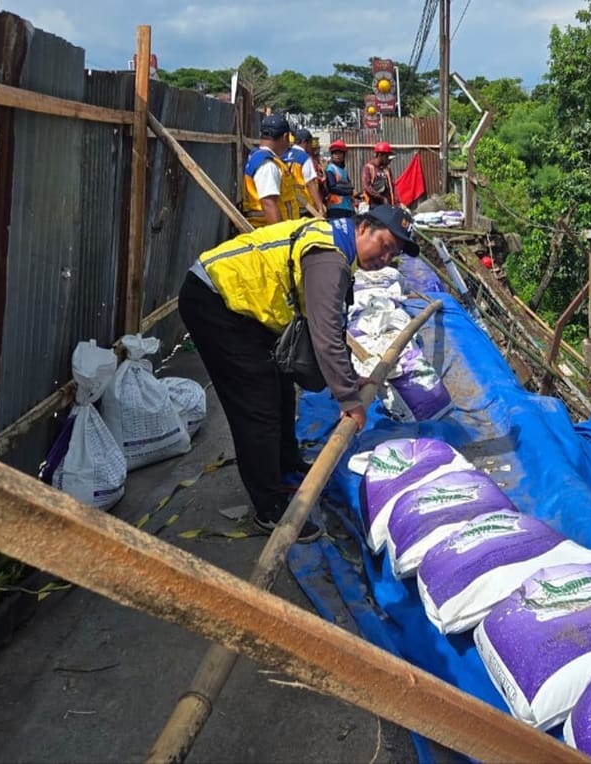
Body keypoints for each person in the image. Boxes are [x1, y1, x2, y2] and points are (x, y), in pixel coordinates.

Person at [178, 205, 420, 535]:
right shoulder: (330, 258)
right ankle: (270, 509)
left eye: (393, 255)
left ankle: (287, 465)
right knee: (256, 405)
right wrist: (349, 400)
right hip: (215, 300)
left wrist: (350, 379)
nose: (385, 259)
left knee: (280, 387)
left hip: (244, 309)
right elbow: (325, 337)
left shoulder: (339, 246)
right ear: (364, 227)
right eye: (386, 246)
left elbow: (332, 326)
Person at [241, 115, 299, 226]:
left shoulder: (258, 156)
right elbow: (269, 204)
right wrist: (282, 235)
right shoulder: (268, 165)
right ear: (285, 137)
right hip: (269, 230)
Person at [284, 127, 326, 218]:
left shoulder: (283, 156)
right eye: (310, 143)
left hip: (288, 205)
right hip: (304, 206)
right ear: (304, 142)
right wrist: (320, 207)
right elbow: (310, 183)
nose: (311, 147)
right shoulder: (304, 158)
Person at [324, 140, 356, 219]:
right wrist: (349, 191)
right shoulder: (331, 169)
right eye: (335, 153)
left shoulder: (343, 170)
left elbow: (349, 185)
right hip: (335, 207)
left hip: (347, 206)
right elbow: (332, 187)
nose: (337, 156)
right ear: (332, 155)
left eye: (340, 153)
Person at [361, 141, 399, 209]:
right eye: (386, 156)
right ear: (380, 155)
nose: (388, 158)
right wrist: (381, 198)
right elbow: (367, 186)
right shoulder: (369, 168)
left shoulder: (387, 170)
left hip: (387, 205)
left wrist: (396, 203)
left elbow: (392, 187)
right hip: (374, 206)